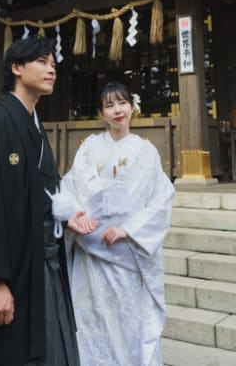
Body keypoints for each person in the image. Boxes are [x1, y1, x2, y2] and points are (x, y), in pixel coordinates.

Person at [0, 36, 85, 365]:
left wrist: (64, 215)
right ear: (16, 67)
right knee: (9, 351)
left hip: (41, 262)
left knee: (47, 347)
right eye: (41, 61)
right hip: (11, 267)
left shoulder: (34, 126)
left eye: (53, 64)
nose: (51, 70)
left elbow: (39, 191)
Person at [50, 82, 175, 365]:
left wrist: (128, 229)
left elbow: (160, 201)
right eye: (109, 105)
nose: (117, 110)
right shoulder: (89, 147)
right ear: (101, 113)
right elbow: (69, 186)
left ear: (132, 107)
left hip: (125, 252)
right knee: (90, 317)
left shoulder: (146, 152)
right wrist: (75, 215)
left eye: (122, 103)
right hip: (90, 250)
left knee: (127, 319)